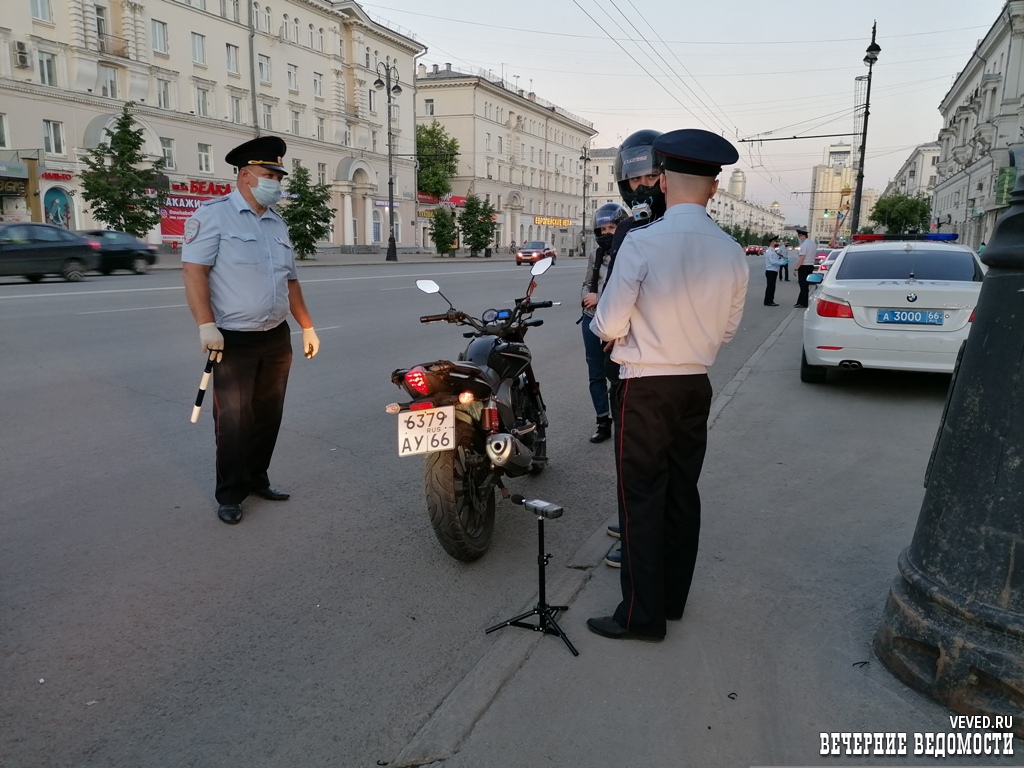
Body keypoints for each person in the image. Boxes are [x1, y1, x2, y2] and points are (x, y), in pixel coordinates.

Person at [587, 128, 749, 641]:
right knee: (682, 494)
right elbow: (727, 331)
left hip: (644, 386)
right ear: (714, 189)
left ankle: (640, 615)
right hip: (694, 386)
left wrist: (620, 330)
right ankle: (672, 600)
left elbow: (608, 326)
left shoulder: (642, 242)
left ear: (661, 181)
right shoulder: (730, 251)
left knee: (640, 498)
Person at [182, 136, 320, 526]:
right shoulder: (213, 215)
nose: (276, 180)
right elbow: (194, 272)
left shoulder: (277, 222)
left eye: (278, 174)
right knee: (234, 421)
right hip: (233, 338)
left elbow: (290, 281)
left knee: (267, 415)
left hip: (276, 336)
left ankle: (258, 478)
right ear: (245, 175)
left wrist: (306, 326)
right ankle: (229, 492)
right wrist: (206, 324)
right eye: (269, 173)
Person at [602, 129, 669, 567]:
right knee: (632, 458)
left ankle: (638, 542)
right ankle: (632, 524)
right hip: (626, 360)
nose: (641, 186)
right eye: (634, 179)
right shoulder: (627, 227)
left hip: (649, 364)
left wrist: (608, 327)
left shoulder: (670, 227)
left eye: (650, 177)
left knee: (645, 461)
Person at [581, 202, 629, 443]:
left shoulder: (630, 252)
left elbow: (629, 289)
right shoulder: (595, 255)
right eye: (602, 230)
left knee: (619, 372)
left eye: (611, 228)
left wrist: (599, 298)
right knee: (595, 373)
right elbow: (587, 283)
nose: (606, 233)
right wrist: (585, 299)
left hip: (618, 322)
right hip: (591, 321)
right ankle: (602, 421)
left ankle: (624, 419)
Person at [793, 227, 818, 308]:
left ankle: (803, 303)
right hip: (810, 266)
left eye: (799, 236)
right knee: (806, 285)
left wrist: (796, 268)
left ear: (802, 236)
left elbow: (802, 257)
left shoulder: (804, 245)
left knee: (803, 286)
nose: (799, 238)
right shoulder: (813, 244)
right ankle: (800, 302)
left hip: (803, 266)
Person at [763, 237, 788, 306]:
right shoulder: (770, 251)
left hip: (773, 271)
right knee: (770, 287)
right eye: (776, 241)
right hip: (770, 271)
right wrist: (782, 263)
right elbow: (772, 261)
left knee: (772, 286)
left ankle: (770, 300)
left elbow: (776, 259)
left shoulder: (773, 251)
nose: (777, 243)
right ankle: (768, 301)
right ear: (772, 242)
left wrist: (781, 260)